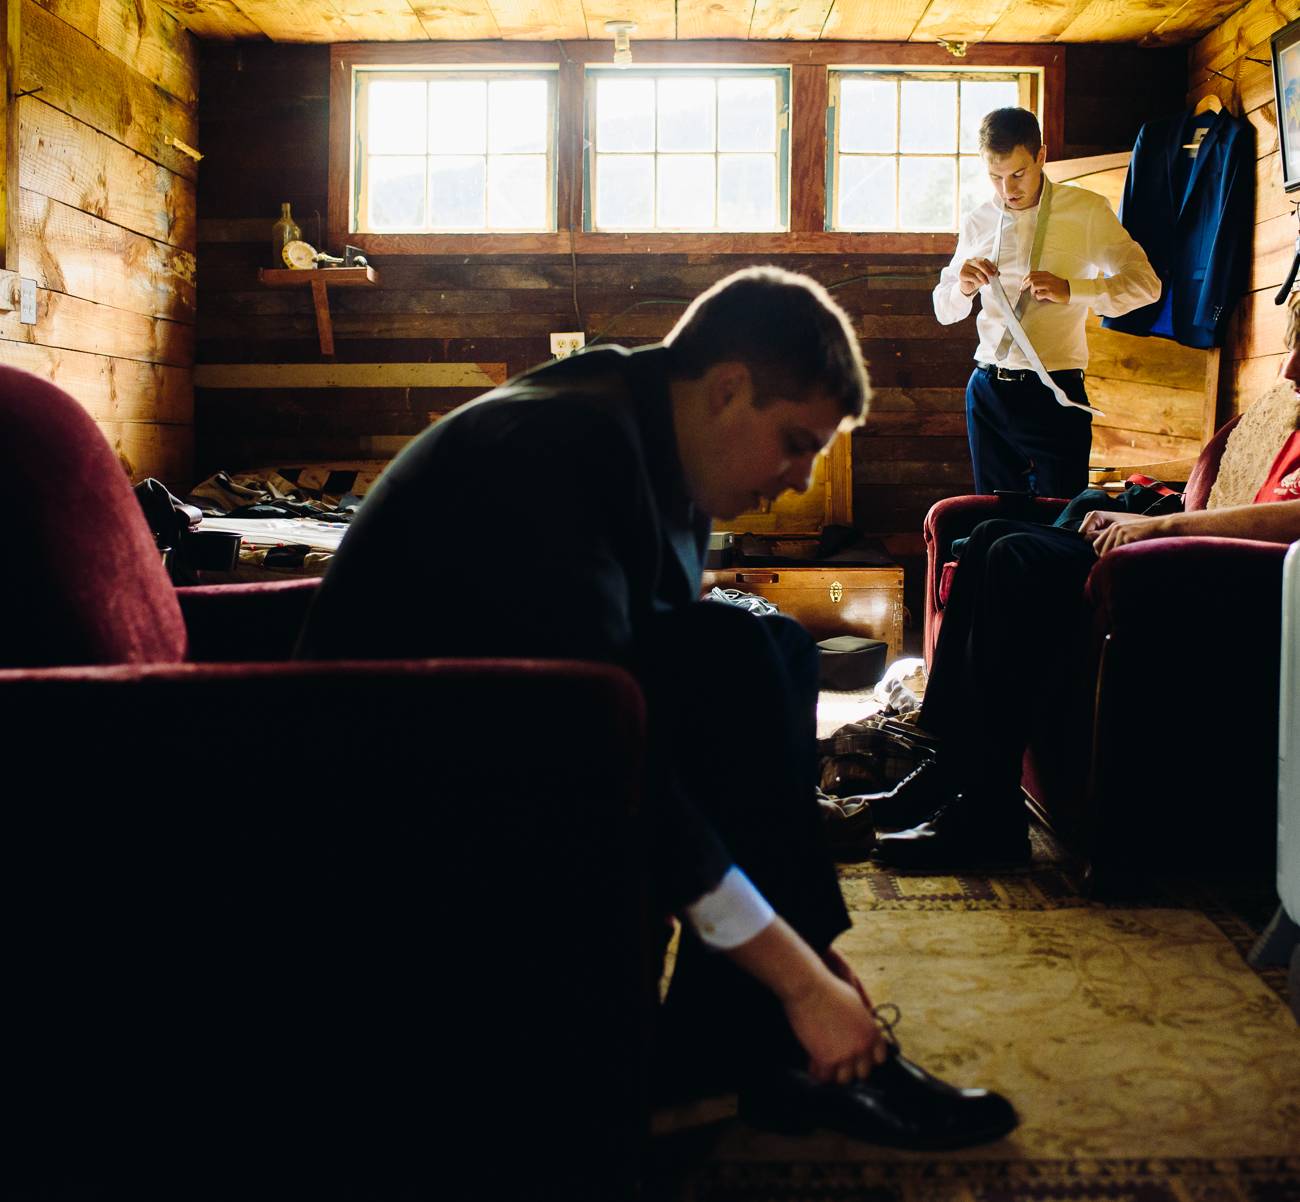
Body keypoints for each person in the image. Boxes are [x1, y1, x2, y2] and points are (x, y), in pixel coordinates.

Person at [294, 267, 1017, 1149]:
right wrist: (796, 978)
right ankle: (766, 1038)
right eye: (795, 442)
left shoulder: (650, 441)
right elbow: (602, 738)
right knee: (737, 657)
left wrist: (800, 940)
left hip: (512, 725)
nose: (797, 480)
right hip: (397, 771)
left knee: (764, 650)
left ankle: (740, 1053)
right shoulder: (555, 444)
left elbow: (662, 687)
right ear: (727, 389)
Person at [869, 282, 1300, 869]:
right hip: (1191, 570)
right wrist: (1150, 517)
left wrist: (1162, 533)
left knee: (1014, 556)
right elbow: (1229, 520)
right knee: (993, 538)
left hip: (1235, 599)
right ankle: (946, 773)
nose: (1291, 370)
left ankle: (989, 817)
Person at [934, 107, 1161, 499]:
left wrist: (1073, 290)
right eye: (995, 177)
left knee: (1059, 521)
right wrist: (963, 289)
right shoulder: (977, 221)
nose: (1007, 189)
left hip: (1056, 391)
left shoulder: (1086, 211)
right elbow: (944, 309)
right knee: (992, 517)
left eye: (1018, 174)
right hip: (987, 389)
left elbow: (1147, 286)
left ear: (1041, 156)